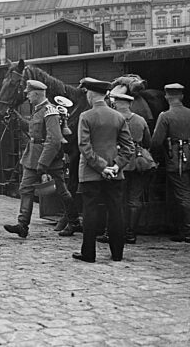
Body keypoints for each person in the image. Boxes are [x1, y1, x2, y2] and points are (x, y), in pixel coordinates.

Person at [4, 80, 77, 238]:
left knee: (62, 190)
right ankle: (22, 225)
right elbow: (34, 132)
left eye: (29, 93)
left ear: (36, 94)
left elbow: (54, 139)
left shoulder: (50, 111)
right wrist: (16, 118)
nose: (27, 96)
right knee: (25, 189)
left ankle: (73, 221)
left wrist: (43, 163)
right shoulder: (38, 110)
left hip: (49, 158)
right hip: (33, 156)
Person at [72, 78, 134, 263]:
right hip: (115, 174)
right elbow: (129, 147)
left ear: (90, 94)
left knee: (90, 212)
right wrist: (115, 166)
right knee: (116, 211)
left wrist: (101, 167)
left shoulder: (86, 116)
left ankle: (89, 254)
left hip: (91, 174)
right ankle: (117, 254)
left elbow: (84, 146)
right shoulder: (118, 117)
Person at [150, 83, 190, 243]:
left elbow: (156, 142)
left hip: (177, 159)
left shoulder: (165, 116)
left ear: (167, 97)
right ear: (181, 96)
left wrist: (155, 158)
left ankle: (186, 231)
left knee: (182, 195)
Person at [110, 92, 151, 244]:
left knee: (116, 198)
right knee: (134, 199)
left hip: (118, 161)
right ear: (130, 104)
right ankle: (131, 233)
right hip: (138, 162)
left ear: (116, 103)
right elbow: (148, 142)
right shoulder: (140, 120)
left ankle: (113, 232)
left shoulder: (112, 118)